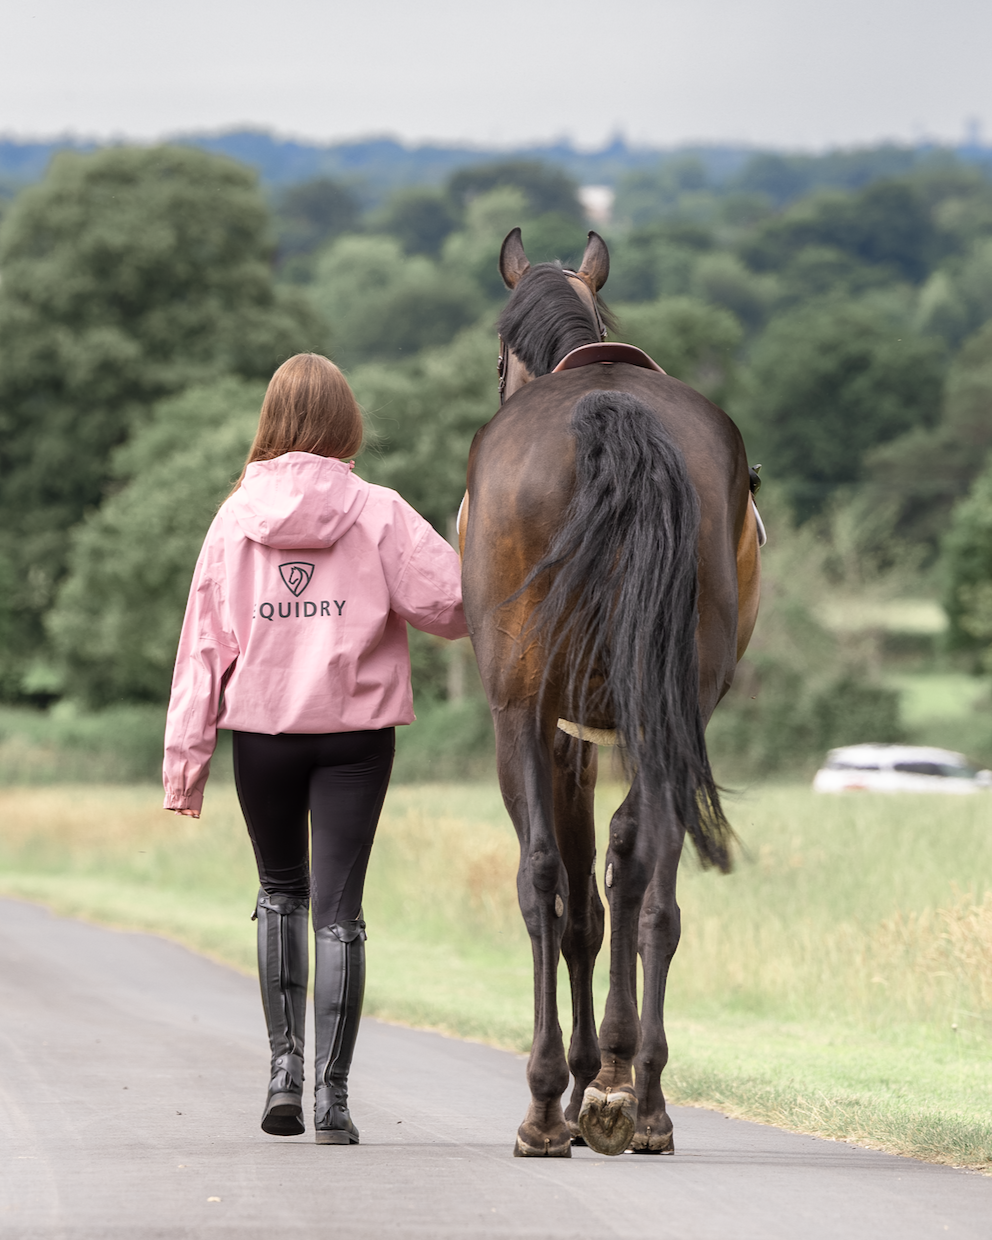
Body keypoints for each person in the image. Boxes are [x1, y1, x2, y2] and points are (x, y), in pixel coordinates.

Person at [162, 353, 468, 1145]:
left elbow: (203, 645)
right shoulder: (380, 511)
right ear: (345, 423)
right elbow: (454, 605)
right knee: (338, 912)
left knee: (279, 895)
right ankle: (333, 1099)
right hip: (355, 740)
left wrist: (186, 761)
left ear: (271, 419)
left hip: (262, 735)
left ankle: (283, 1076)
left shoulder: (234, 519)